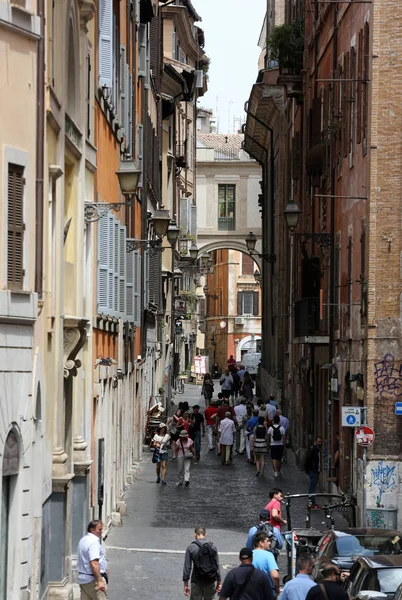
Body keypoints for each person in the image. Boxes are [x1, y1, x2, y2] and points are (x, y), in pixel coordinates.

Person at [183, 526, 221, 600]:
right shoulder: (213, 547)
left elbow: (187, 567)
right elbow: (217, 566)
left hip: (196, 581)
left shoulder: (191, 547)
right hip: (210, 580)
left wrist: (186, 584)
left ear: (195, 534)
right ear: (205, 534)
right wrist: (219, 582)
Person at [77, 520, 108, 599]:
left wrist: (103, 569)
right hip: (93, 580)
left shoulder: (83, 540)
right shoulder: (93, 542)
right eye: (99, 529)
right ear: (92, 530)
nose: (101, 531)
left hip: (83, 579)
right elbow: (94, 563)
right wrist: (100, 581)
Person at [252, 532, 280, 598]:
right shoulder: (268, 555)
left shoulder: (250, 554)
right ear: (260, 543)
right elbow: (275, 576)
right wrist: (277, 587)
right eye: (267, 541)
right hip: (266, 592)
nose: (269, 543)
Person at [305, 436, 323, 508]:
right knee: (312, 486)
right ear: (315, 441)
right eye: (318, 442)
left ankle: (311, 501)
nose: (320, 443)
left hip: (315, 470)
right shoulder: (313, 449)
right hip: (313, 470)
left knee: (313, 486)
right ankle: (312, 502)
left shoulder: (317, 449)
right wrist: (308, 469)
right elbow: (308, 458)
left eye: (321, 442)